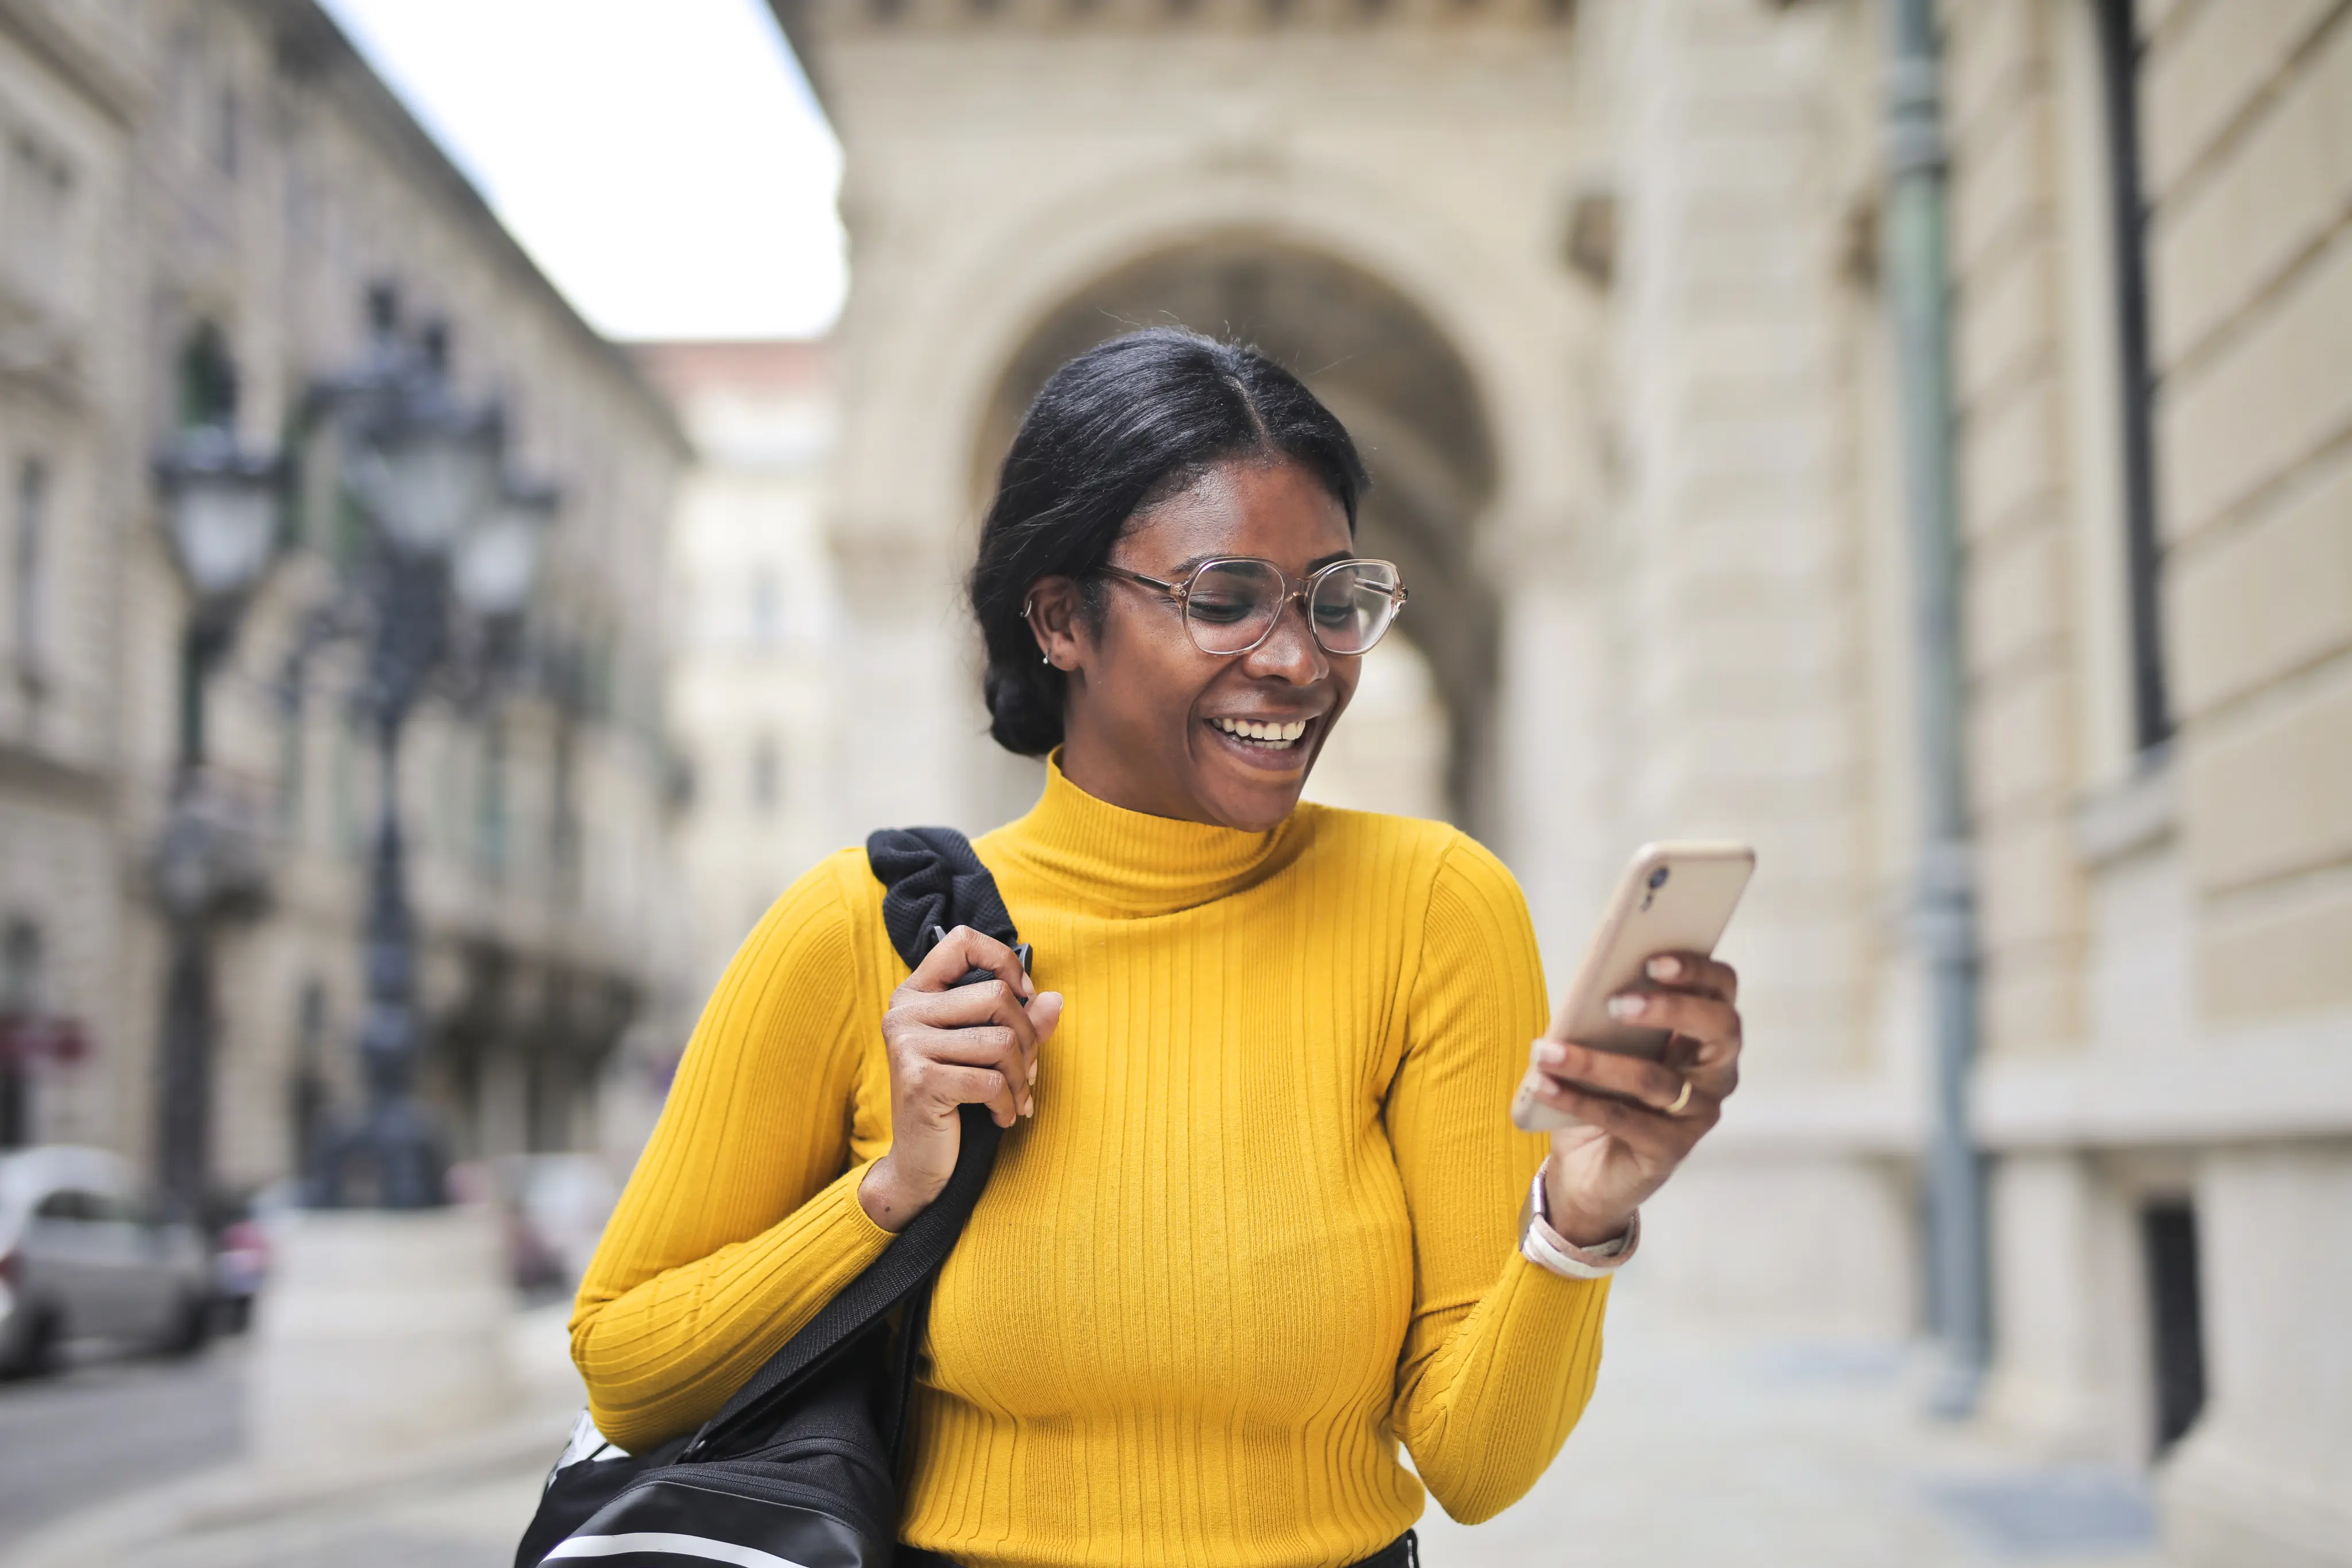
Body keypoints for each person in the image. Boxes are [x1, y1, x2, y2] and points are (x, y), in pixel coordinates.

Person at [571, 328, 1745, 1567]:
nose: (1296, 662)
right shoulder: (856, 931)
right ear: (1060, 618)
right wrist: (888, 1196)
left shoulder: (1435, 910)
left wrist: (1577, 1216)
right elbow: (625, 1373)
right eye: (1222, 600)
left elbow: (1473, 1465)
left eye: (1333, 602)